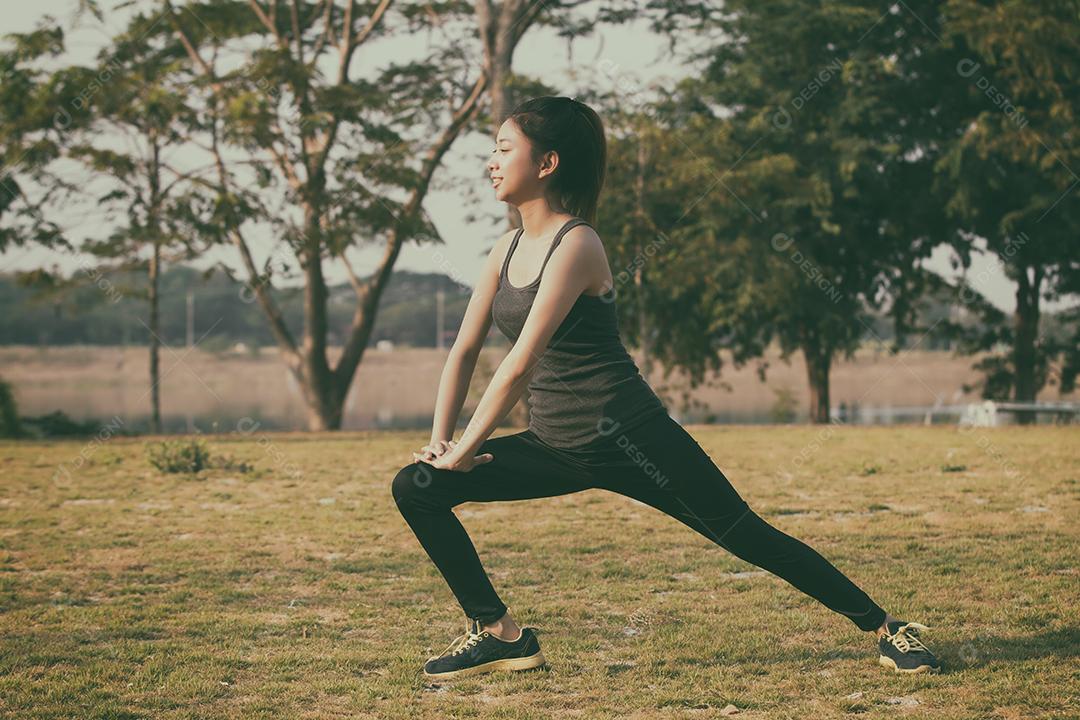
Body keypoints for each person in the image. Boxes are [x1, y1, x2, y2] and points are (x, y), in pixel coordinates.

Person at [391, 96, 940, 681]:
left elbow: (521, 359)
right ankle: (500, 634)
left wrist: (471, 448)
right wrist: (441, 442)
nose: (491, 162)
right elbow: (466, 350)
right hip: (557, 447)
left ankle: (886, 628)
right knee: (418, 486)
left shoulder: (577, 244)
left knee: (747, 535)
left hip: (633, 438)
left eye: (504, 149)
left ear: (547, 162)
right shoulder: (503, 250)